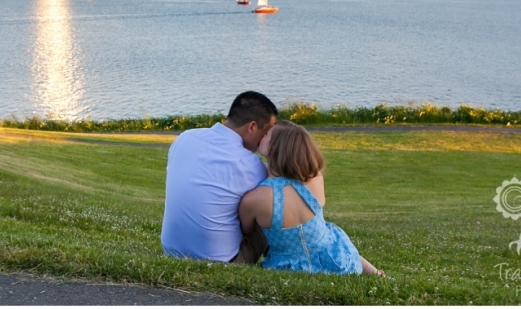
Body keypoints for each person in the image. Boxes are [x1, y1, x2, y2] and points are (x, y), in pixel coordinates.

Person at [239, 120, 383, 275]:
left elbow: (246, 229)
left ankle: (376, 274)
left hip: (287, 267)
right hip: (334, 258)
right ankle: (376, 274)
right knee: (326, 237)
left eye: (266, 133)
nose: (262, 133)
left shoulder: (254, 200)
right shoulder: (315, 179)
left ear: (273, 147)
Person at [161, 91, 277, 263]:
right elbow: (274, 189)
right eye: (266, 132)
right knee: (273, 203)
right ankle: (283, 261)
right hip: (221, 261)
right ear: (252, 127)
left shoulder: (185, 138)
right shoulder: (249, 164)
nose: (266, 139)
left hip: (171, 251)